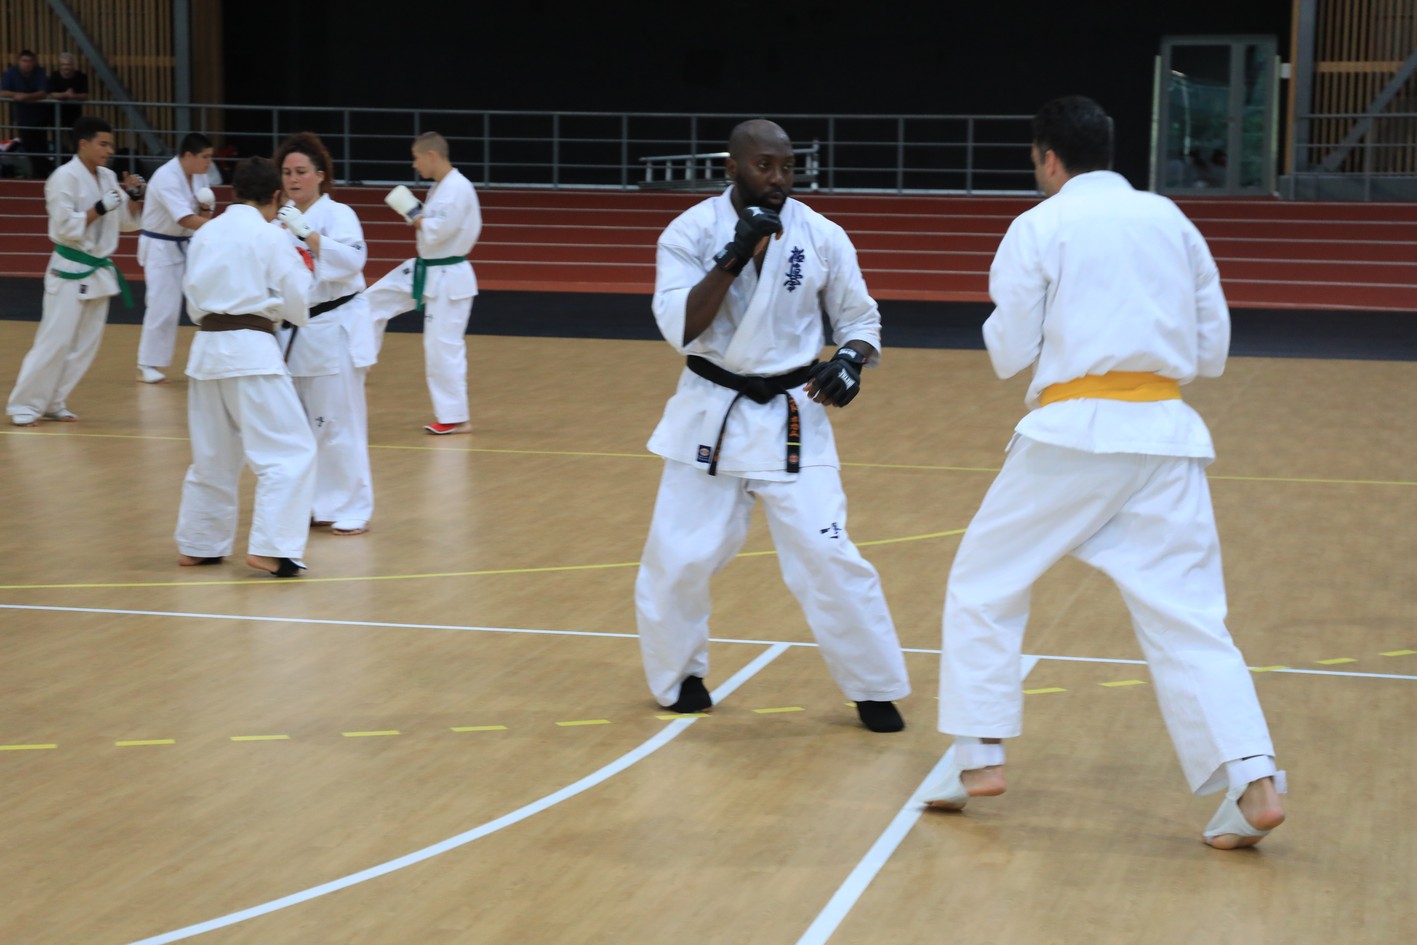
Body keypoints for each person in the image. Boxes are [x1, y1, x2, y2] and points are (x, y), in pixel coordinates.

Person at [918, 96, 1286, 850]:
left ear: (1048, 158)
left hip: (1074, 433)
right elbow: (1212, 349)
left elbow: (1008, 350)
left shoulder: (1040, 223)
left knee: (984, 583)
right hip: (1165, 434)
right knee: (1188, 617)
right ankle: (1254, 780)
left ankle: (979, 752)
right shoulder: (1171, 220)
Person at [635, 118, 910, 733]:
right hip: (710, 409)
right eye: (765, 166)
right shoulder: (689, 232)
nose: (779, 178)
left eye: (788, 167)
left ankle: (873, 687)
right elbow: (681, 327)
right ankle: (678, 676)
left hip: (794, 410)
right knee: (677, 557)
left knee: (828, 553)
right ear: (732, 168)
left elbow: (861, 320)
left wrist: (849, 360)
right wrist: (736, 254)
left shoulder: (822, 235)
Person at [174, 156, 316, 578]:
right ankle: (272, 548)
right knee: (290, 452)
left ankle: (199, 544)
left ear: (234, 192)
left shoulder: (205, 233)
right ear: (275, 196)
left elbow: (192, 298)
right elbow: (298, 302)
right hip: (251, 353)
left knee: (212, 457)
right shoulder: (271, 236)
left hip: (206, 352)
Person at [6, 116, 143, 426]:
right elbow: (65, 226)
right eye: (103, 144)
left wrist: (134, 197)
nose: (109, 150)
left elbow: (125, 222)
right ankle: (23, 405)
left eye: (111, 144)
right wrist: (100, 207)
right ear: (83, 144)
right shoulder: (63, 178)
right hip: (69, 269)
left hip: (99, 271)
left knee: (84, 347)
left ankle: (54, 401)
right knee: (54, 341)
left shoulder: (108, 177)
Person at [272, 131, 376, 536]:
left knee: (340, 422)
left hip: (334, 327)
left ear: (320, 175)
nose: (293, 179)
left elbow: (352, 261)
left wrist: (307, 234)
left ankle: (354, 505)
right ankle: (317, 503)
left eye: (301, 171)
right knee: (303, 426)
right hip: (294, 331)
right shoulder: (279, 220)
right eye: (287, 173)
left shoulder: (338, 214)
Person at [364, 131, 481, 435]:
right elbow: (431, 227)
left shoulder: (458, 188)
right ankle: (362, 362)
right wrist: (415, 212)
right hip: (426, 268)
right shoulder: (440, 186)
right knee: (369, 302)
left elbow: (437, 231)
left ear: (431, 155)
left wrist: (410, 211)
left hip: (449, 276)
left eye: (416, 158)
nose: (414, 165)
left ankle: (455, 417)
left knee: (442, 346)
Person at [134, 132, 215, 383]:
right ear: (188, 155)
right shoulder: (166, 177)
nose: (209, 162)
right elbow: (184, 219)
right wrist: (223, 227)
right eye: (205, 157)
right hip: (160, 246)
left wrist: (206, 209)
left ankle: (211, 359)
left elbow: (201, 216)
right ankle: (147, 363)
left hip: (187, 243)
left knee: (205, 300)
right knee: (163, 306)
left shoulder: (199, 175)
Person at [0, 49, 51, 177]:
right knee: (29, 148)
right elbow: (2, 92)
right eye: (24, 61)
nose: (27, 64)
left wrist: (25, 97)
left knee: (42, 148)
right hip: (23, 117)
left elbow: (43, 92)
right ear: (18, 61)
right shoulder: (11, 72)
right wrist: (17, 95)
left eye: (30, 61)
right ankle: (38, 175)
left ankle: (42, 175)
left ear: (34, 62)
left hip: (40, 117)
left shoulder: (39, 71)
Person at [44, 52, 88, 144]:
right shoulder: (54, 75)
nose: (65, 67)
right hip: (56, 114)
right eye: (63, 64)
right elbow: (51, 93)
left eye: (68, 64)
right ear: (60, 65)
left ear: (73, 65)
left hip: (74, 114)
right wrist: (66, 94)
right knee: (57, 140)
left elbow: (85, 95)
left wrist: (74, 96)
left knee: (76, 139)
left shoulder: (81, 76)